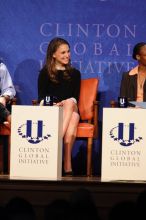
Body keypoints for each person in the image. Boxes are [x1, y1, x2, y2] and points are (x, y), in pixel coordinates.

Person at [38, 37, 81, 176]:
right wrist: (54, 104)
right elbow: (41, 97)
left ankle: (55, 142)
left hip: (70, 106)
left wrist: (66, 102)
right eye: (63, 52)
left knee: (69, 102)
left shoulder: (75, 73)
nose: (67, 55)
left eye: (68, 51)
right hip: (53, 111)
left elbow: (75, 97)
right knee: (74, 118)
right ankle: (67, 165)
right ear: (54, 54)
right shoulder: (45, 73)